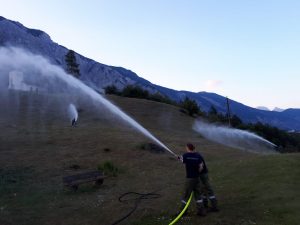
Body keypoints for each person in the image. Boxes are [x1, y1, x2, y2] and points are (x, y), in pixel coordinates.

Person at [178, 143, 219, 216]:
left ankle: (183, 211)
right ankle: (202, 209)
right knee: (199, 193)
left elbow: (182, 159)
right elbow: (201, 167)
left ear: (188, 148)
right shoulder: (198, 156)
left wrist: (179, 158)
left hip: (194, 177)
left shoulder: (186, 155)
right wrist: (197, 172)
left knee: (188, 194)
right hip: (198, 176)